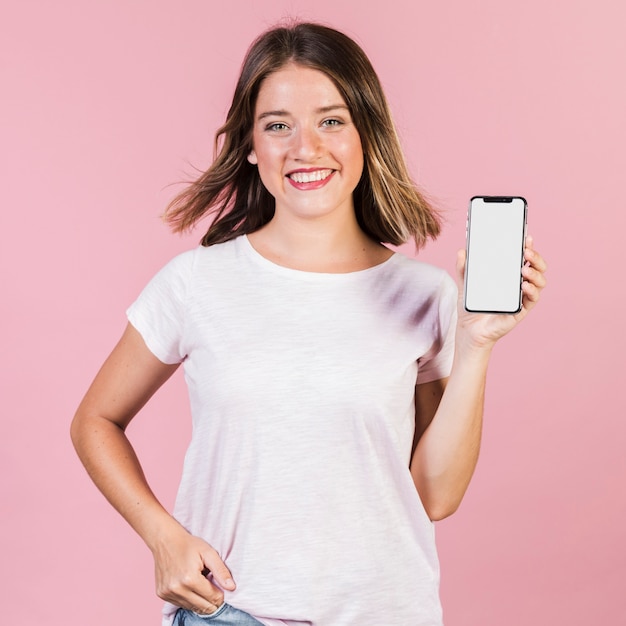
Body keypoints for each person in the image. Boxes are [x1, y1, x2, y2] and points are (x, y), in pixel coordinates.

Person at [71, 21, 547, 626]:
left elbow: (436, 495)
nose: (305, 148)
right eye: (277, 125)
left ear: (366, 134)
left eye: (331, 120)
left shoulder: (425, 296)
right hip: (230, 610)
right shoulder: (194, 284)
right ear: (249, 144)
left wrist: (477, 343)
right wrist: (163, 537)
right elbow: (95, 420)